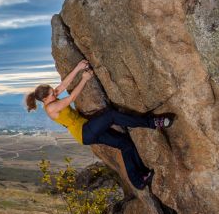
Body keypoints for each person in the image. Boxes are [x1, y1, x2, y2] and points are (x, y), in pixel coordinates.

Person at [25, 59, 172, 190]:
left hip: (87, 129)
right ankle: (153, 122)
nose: (55, 93)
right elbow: (71, 98)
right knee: (111, 115)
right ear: (45, 99)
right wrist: (84, 79)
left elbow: (64, 84)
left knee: (125, 143)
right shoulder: (51, 108)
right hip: (84, 132)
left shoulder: (51, 98)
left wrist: (78, 68)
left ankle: (139, 180)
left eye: (53, 91)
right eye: (52, 93)